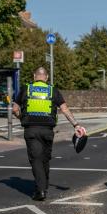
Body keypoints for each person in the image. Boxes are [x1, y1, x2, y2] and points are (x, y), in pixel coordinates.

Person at [13, 67, 86, 201]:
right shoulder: (53, 90)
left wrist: (21, 117)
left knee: (36, 159)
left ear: (34, 76)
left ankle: (41, 190)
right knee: (45, 159)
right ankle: (43, 186)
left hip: (31, 129)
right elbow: (64, 109)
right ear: (46, 78)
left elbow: (15, 109)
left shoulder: (26, 88)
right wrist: (76, 125)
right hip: (47, 130)